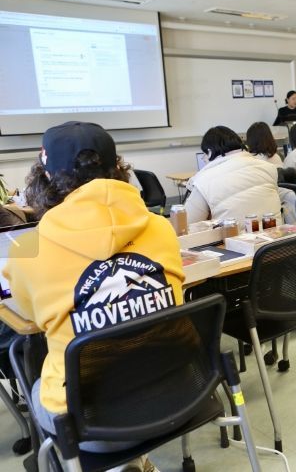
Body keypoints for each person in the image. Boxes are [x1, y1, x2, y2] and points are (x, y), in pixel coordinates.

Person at [4, 121, 184, 470]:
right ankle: (135, 463)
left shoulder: (28, 250)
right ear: (118, 169)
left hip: (92, 428)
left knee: (40, 383)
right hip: (177, 395)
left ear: (45, 177)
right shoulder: (162, 229)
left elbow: (30, 318)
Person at [185, 125, 281, 224]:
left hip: (234, 233)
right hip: (275, 232)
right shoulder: (268, 168)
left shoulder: (204, 180)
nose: (203, 158)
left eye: (204, 154)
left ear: (209, 152)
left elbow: (186, 224)